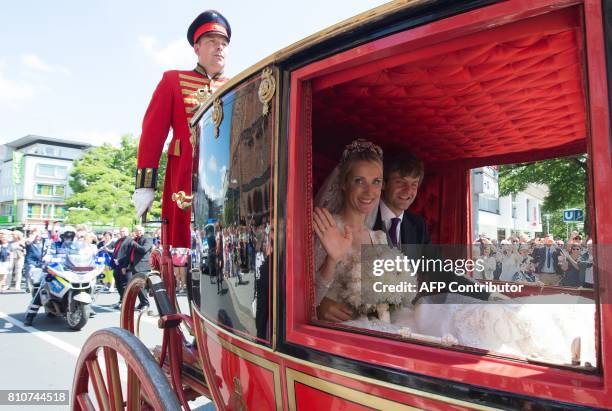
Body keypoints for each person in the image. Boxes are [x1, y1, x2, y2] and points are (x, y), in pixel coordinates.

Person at [132, 10, 231, 250]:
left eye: (223, 43)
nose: (219, 48)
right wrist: (145, 184)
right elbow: (152, 134)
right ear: (196, 48)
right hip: (183, 176)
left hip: (226, 177)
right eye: (211, 42)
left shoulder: (235, 86)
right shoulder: (173, 80)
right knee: (181, 247)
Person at [23, 226, 78, 326]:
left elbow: (82, 255)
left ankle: (85, 307)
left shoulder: (76, 246)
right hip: (56, 271)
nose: (69, 237)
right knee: (43, 287)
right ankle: (30, 315)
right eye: (66, 235)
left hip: (72, 272)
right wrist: (47, 257)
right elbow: (49, 253)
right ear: (61, 236)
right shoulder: (55, 245)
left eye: (71, 235)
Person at [127, 225, 151, 310]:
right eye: (136, 230)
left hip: (142, 266)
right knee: (136, 287)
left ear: (143, 231)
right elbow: (129, 253)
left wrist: (133, 243)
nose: (138, 232)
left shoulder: (147, 239)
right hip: (134, 266)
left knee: (141, 286)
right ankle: (141, 302)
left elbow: (144, 250)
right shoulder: (135, 240)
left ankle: (146, 303)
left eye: (140, 230)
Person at [111, 227, 133, 309]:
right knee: (118, 284)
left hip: (125, 266)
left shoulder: (130, 240)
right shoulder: (118, 241)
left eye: (123, 231)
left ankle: (127, 303)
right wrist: (112, 264)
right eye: (121, 231)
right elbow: (115, 252)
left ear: (128, 232)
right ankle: (121, 300)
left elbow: (129, 255)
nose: (121, 233)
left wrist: (125, 266)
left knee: (126, 285)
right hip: (117, 266)